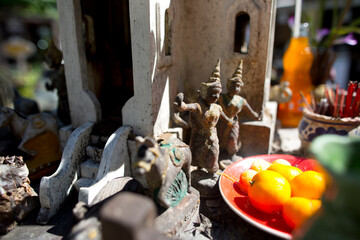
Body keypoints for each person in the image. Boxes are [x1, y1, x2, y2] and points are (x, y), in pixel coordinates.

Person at [174, 59, 234, 173]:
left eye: (218, 94)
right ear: (204, 92)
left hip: (212, 136)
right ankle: (199, 170)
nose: (215, 97)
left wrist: (230, 122)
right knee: (198, 155)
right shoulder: (199, 106)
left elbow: (225, 118)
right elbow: (188, 106)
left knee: (213, 154)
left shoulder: (217, 108)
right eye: (212, 94)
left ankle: (211, 172)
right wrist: (181, 105)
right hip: (199, 136)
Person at [217, 60, 260, 160]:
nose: (235, 88)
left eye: (237, 86)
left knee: (232, 139)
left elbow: (251, 113)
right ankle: (220, 155)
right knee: (220, 139)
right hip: (222, 122)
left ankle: (232, 155)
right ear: (228, 85)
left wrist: (257, 116)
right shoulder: (221, 98)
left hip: (233, 124)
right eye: (233, 85)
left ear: (240, 88)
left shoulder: (241, 101)